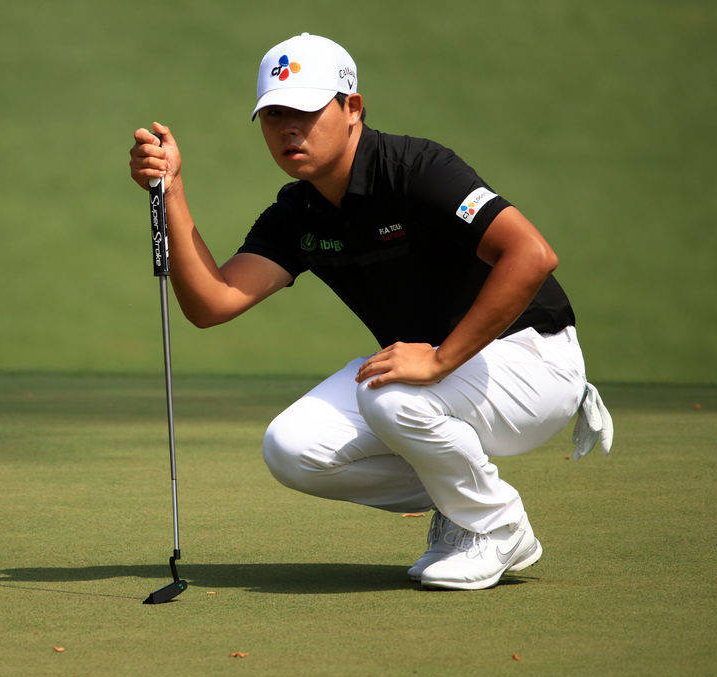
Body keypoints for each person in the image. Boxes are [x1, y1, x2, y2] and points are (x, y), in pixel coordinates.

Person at [127, 32, 612, 590]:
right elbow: (212, 303)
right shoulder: (298, 213)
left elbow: (532, 254)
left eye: (306, 111)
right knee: (292, 448)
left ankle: (500, 527)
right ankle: (465, 505)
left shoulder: (417, 168)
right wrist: (173, 189)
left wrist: (438, 359)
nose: (289, 128)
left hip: (533, 359)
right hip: (434, 378)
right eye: (274, 114)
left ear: (352, 108)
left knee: (392, 393)